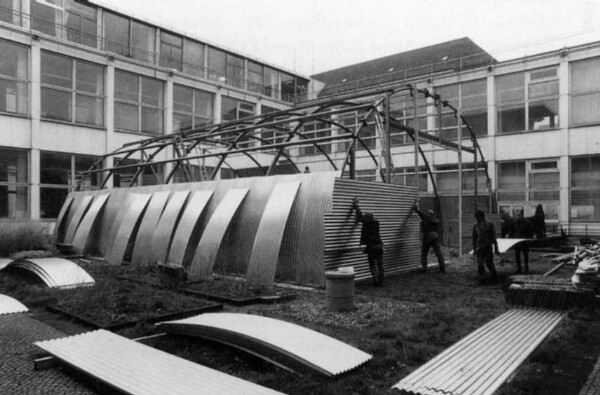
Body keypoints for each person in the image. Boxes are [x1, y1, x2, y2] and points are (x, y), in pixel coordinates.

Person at [352, 197, 384, 286]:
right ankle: (381, 281)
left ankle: (375, 279)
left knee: (372, 264)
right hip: (379, 246)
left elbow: (360, 215)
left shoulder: (366, 223)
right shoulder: (376, 223)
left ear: (367, 218)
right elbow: (362, 217)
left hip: (372, 247)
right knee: (380, 264)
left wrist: (355, 205)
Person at [412, 201, 445, 273]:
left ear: (429, 214)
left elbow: (421, 214)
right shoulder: (435, 220)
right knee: (438, 253)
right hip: (435, 236)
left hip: (428, 236)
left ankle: (424, 270)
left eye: (427, 213)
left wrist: (415, 209)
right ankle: (442, 269)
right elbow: (437, 230)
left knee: (424, 253)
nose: (426, 213)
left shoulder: (427, 218)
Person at [472, 210, 499, 283]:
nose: (477, 219)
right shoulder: (475, 226)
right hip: (479, 247)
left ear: (482, 217)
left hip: (487, 246)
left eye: (478, 217)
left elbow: (493, 237)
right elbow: (474, 238)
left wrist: (496, 248)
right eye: (476, 218)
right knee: (480, 263)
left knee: (489, 262)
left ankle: (494, 275)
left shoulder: (489, 224)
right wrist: (474, 249)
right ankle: (482, 277)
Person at [509, 210, 534, 274]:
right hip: (517, 242)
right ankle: (519, 269)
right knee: (517, 256)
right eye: (516, 215)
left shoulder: (527, 222)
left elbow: (531, 231)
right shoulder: (514, 223)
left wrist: (530, 239)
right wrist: (510, 239)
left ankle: (526, 268)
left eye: (519, 215)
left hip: (525, 242)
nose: (517, 216)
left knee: (525, 256)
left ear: (522, 215)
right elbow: (511, 232)